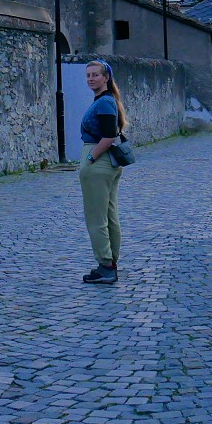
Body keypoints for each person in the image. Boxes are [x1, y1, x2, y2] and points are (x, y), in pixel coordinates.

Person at [79, 59, 128, 285]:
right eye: (88, 75)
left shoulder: (104, 103)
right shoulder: (105, 101)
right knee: (108, 215)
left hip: (98, 161)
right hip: (106, 163)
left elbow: (109, 136)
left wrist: (90, 158)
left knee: (96, 217)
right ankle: (110, 263)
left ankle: (105, 266)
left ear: (106, 78)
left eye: (95, 75)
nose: (91, 78)